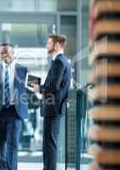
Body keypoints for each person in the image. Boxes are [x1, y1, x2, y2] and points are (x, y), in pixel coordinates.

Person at [32, 34, 71, 170]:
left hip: (53, 109)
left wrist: (39, 88)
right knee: (49, 144)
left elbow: (54, 86)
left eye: (49, 43)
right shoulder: (62, 60)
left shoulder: (59, 61)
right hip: (54, 108)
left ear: (57, 45)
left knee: (49, 145)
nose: (47, 46)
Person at [0, 43, 29, 170]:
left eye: (7, 52)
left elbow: (31, 89)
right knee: (0, 146)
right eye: (2, 52)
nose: (4, 55)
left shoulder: (23, 70)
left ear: (14, 53)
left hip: (15, 111)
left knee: (13, 145)